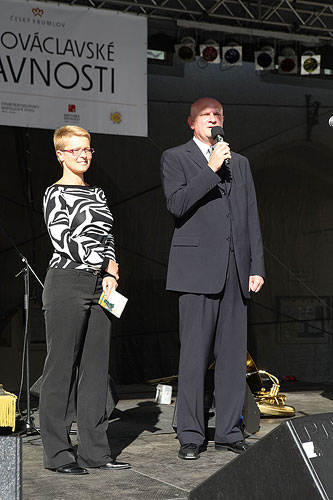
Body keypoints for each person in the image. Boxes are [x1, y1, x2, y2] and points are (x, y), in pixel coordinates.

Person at [160, 97, 265, 460]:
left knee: (234, 358)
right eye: (206, 115)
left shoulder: (242, 164)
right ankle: (190, 435)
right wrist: (211, 167)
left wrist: (257, 266)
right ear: (191, 122)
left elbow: (250, 215)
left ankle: (229, 432)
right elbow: (177, 203)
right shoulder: (175, 157)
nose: (213, 119)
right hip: (195, 272)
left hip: (236, 270)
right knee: (193, 358)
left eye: (217, 114)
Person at [40, 125, 131, 474]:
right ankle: (59, 454)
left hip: (99, 287)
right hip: (67, 281)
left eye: (87, 149)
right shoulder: (55, 193)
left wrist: (110, 272)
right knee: (61, 369)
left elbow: (107, 236)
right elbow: (63, 238)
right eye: (75, 149)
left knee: (95, 372)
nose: (83, 155)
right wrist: (100, 262)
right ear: (61, 154)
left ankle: (95, 452)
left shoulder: (99, 194)